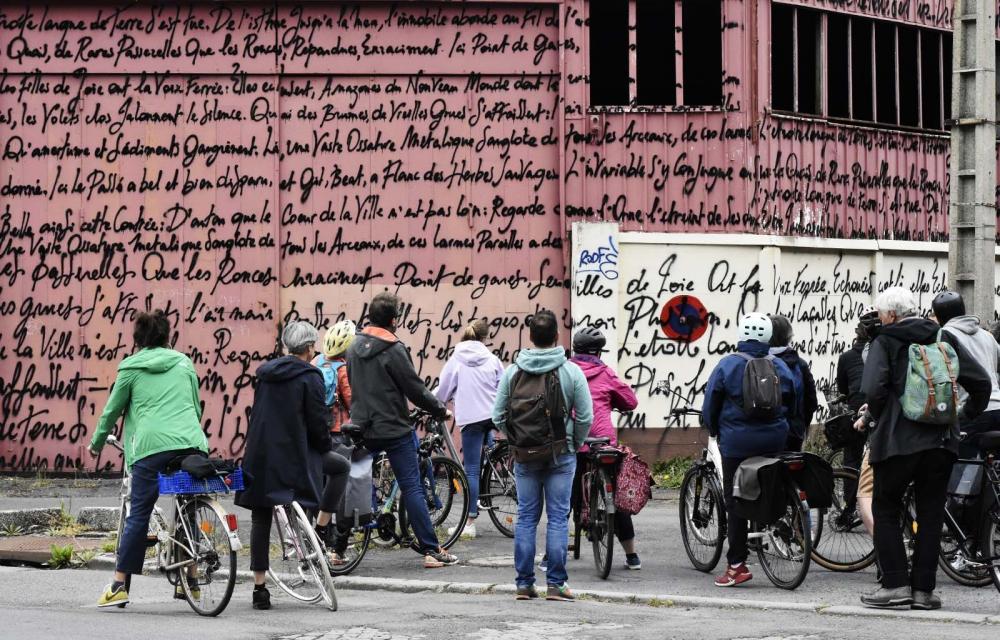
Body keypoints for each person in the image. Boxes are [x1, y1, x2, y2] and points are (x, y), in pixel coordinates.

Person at [857, 287, 991, 610]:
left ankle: (895, 585)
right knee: (930, 515)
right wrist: (960, 416)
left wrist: (872, 417)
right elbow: (982, 384)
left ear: (890, 315)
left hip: (896, 442)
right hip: (941, 442)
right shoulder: (943, 337)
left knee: (886, 508)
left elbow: (873, 389)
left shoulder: (884, 341)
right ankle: (923, 592)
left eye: (881, 313)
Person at [89, 310, 210, 608]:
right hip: (191, 443)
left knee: (139, 513)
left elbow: (112, 411)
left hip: (151, 449)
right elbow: (196, 408)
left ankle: (119, 585)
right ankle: (190, 581)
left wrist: (96, 443)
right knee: (188, 505)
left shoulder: (130, 367)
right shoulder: (184, 363)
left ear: (138, 340)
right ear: (167, 336)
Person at [236, 321, 351, 610]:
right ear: (310, 347)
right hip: (295, 457)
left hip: (261, 456)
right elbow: (316, 422)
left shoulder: (265, 374)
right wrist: (324, 445)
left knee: (261, 516)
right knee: (339, 467)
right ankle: (321, 528)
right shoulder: (309, 376)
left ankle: (259, 588)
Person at [346, 291, 458, 568]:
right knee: (412, 487)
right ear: (394, 320)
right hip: (394, 428)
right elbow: (415, 389)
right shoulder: (394, 349)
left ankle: (337, 549)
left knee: (354, 484)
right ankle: (432, 551)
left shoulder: (352, 348)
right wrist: (440, 410)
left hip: (361, 426)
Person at [493, 310, 593, 602]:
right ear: (556, 337)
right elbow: (585, 415)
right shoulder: (571, 371)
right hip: (561, 454)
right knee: (558, 518)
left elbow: (497, 415)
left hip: (524, 455)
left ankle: (524, 584)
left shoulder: (513, 371)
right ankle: (556, 584)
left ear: (531, 338)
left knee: (526, 517)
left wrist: (517, 439)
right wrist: (573, 442)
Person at [702, 313, 797, 587]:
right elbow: (793, 399)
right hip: (775, 439)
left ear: (741, 335)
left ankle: (736, 566)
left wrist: (713, 428)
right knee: (772, 485)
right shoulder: (780, 365)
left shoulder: (728, 365)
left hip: (737, 443)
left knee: (736, 501)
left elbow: (711, 404)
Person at [569, 326, 641, 570]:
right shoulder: (606, 373)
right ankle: (632, 556)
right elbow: (630, 401)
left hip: (574, 441)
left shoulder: (566, 372)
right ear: (598, 352)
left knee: (567, 497)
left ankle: (552, 556)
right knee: (616, 495)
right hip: (603, 442)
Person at [435, 319, 505, 539]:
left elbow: (443, 390)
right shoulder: (492, 359)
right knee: (485, 454)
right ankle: (492, 468)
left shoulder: (457, 359)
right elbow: (502, 386)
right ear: (484, 338)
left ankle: (470, 520)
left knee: (471, 469)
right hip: (492, 415)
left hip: (472, 419)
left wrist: (433, 403)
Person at [311, 319, 357, 564]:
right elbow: (352, 403)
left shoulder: (314, 363)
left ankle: (317, 539)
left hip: (316, 434)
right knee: (340, 490)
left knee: (319, 488)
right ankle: (338, 547)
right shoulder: (342, 370)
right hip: (339, 434)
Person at [933, 291, 1000, 445]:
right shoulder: (987, 335)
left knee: (963, 466)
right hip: (997, 407)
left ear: (938, 316)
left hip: (971, 410)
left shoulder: (944, 335)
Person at [836, 310, 879, 534]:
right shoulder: (886, 349)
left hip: (858, 411)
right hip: (880, 412)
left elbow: (842, 387)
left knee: (851, 458)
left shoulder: (847, 357)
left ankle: (850, 508)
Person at [768, 315, 815, 451]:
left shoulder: (756, 363)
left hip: (765, 432)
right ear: (789, 337)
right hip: (794, 432)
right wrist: (801, 425)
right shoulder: (800, 364)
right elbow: (811, 401)